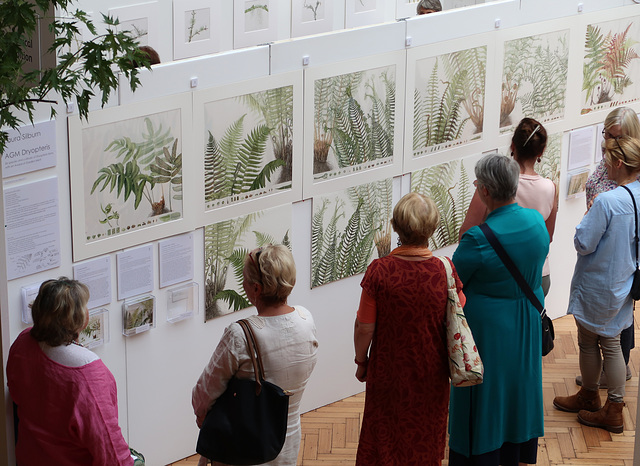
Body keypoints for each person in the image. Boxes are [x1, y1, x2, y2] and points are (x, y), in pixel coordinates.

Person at [449, 154, 549, 465]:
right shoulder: (535, 222)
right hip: (527, 323)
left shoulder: (479, 239)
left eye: (478, 184)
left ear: (486, 192)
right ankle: (514, 455)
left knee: (485, 397)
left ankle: (481, 455)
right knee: (519, 389)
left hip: (488, 331)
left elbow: (454, 278)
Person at [354, 192, 464, 466]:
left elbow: (364, 326)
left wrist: (361, 360)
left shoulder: (380, 271)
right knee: (424, 438)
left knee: (384, 439)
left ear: (396, 226)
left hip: (388, 373)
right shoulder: (445, 270)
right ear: (433, 227)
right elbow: (459, 310)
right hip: (431, 373)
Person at [192, 245, 318, 466]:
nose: (242, 284)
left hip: (243, 447)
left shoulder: (240, 334)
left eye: (245, 280)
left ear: (257, 289)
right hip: (286, 444)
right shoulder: (305, 319)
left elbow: (203, 395)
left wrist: (203, 415)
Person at [553, 136, 640, 433]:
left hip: (597, 284)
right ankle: (612, 406)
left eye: (607, 158)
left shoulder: (606, 201)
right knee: (614, 342)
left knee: (591, 342)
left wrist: (588, 215)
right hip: (624, 282)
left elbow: (583, 243)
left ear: (618, 163)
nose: (604, 164)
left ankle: (594, 398)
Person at [6, 278, 135, 465]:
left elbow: (16, 393)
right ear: (80, 319)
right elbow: (111, 451)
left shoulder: (23, 343)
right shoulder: (88, 376)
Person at [575, 107, 640, 388]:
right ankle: (609, 388)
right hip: (607, 250)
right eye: (606, 136)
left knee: (612, 333)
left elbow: (583, 243)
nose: (609, 144)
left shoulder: (623, 185)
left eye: (616, 137)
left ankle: (608, 387)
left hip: (616, 259)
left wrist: (597, 212)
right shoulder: (612, 164)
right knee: (615, 326)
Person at [459, 118, 557, 296]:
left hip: (497, 274)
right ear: (541, 151)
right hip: (538, 274)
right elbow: (548, 237)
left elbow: (466, 231)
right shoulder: (550, 187)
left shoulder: (492, 183)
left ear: (512, 145)